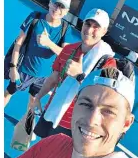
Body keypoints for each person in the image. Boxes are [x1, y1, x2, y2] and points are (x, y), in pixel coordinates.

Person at [4, 64, 138, 158]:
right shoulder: (53, 144)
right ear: (73, 107)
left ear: (126, 124)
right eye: (86, 105)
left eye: (109, 112)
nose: (92, 120)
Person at [31, 8, 115, 138]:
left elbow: (103, 97)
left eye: (96, 27)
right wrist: (38, 98)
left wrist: (79, 76)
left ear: (104, 31)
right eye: (88, 24)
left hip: (77, 124)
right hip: (52, 112)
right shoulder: (68, 49)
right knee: (42, 152)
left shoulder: (107, 62)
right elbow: (54, 78)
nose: (89, 30)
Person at [4, 0, 72, 109]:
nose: (57, 9)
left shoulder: (66, 29)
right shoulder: (35, 17)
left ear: (66, 12)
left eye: (62, 7)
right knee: (8, 94)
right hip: (23, 71)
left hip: (44, 77)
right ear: (50, 3)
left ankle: (27, 126)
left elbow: (65, 54)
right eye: (56, 4)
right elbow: (18, 43)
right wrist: (13, 67)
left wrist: (48, 43)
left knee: (34, 102)